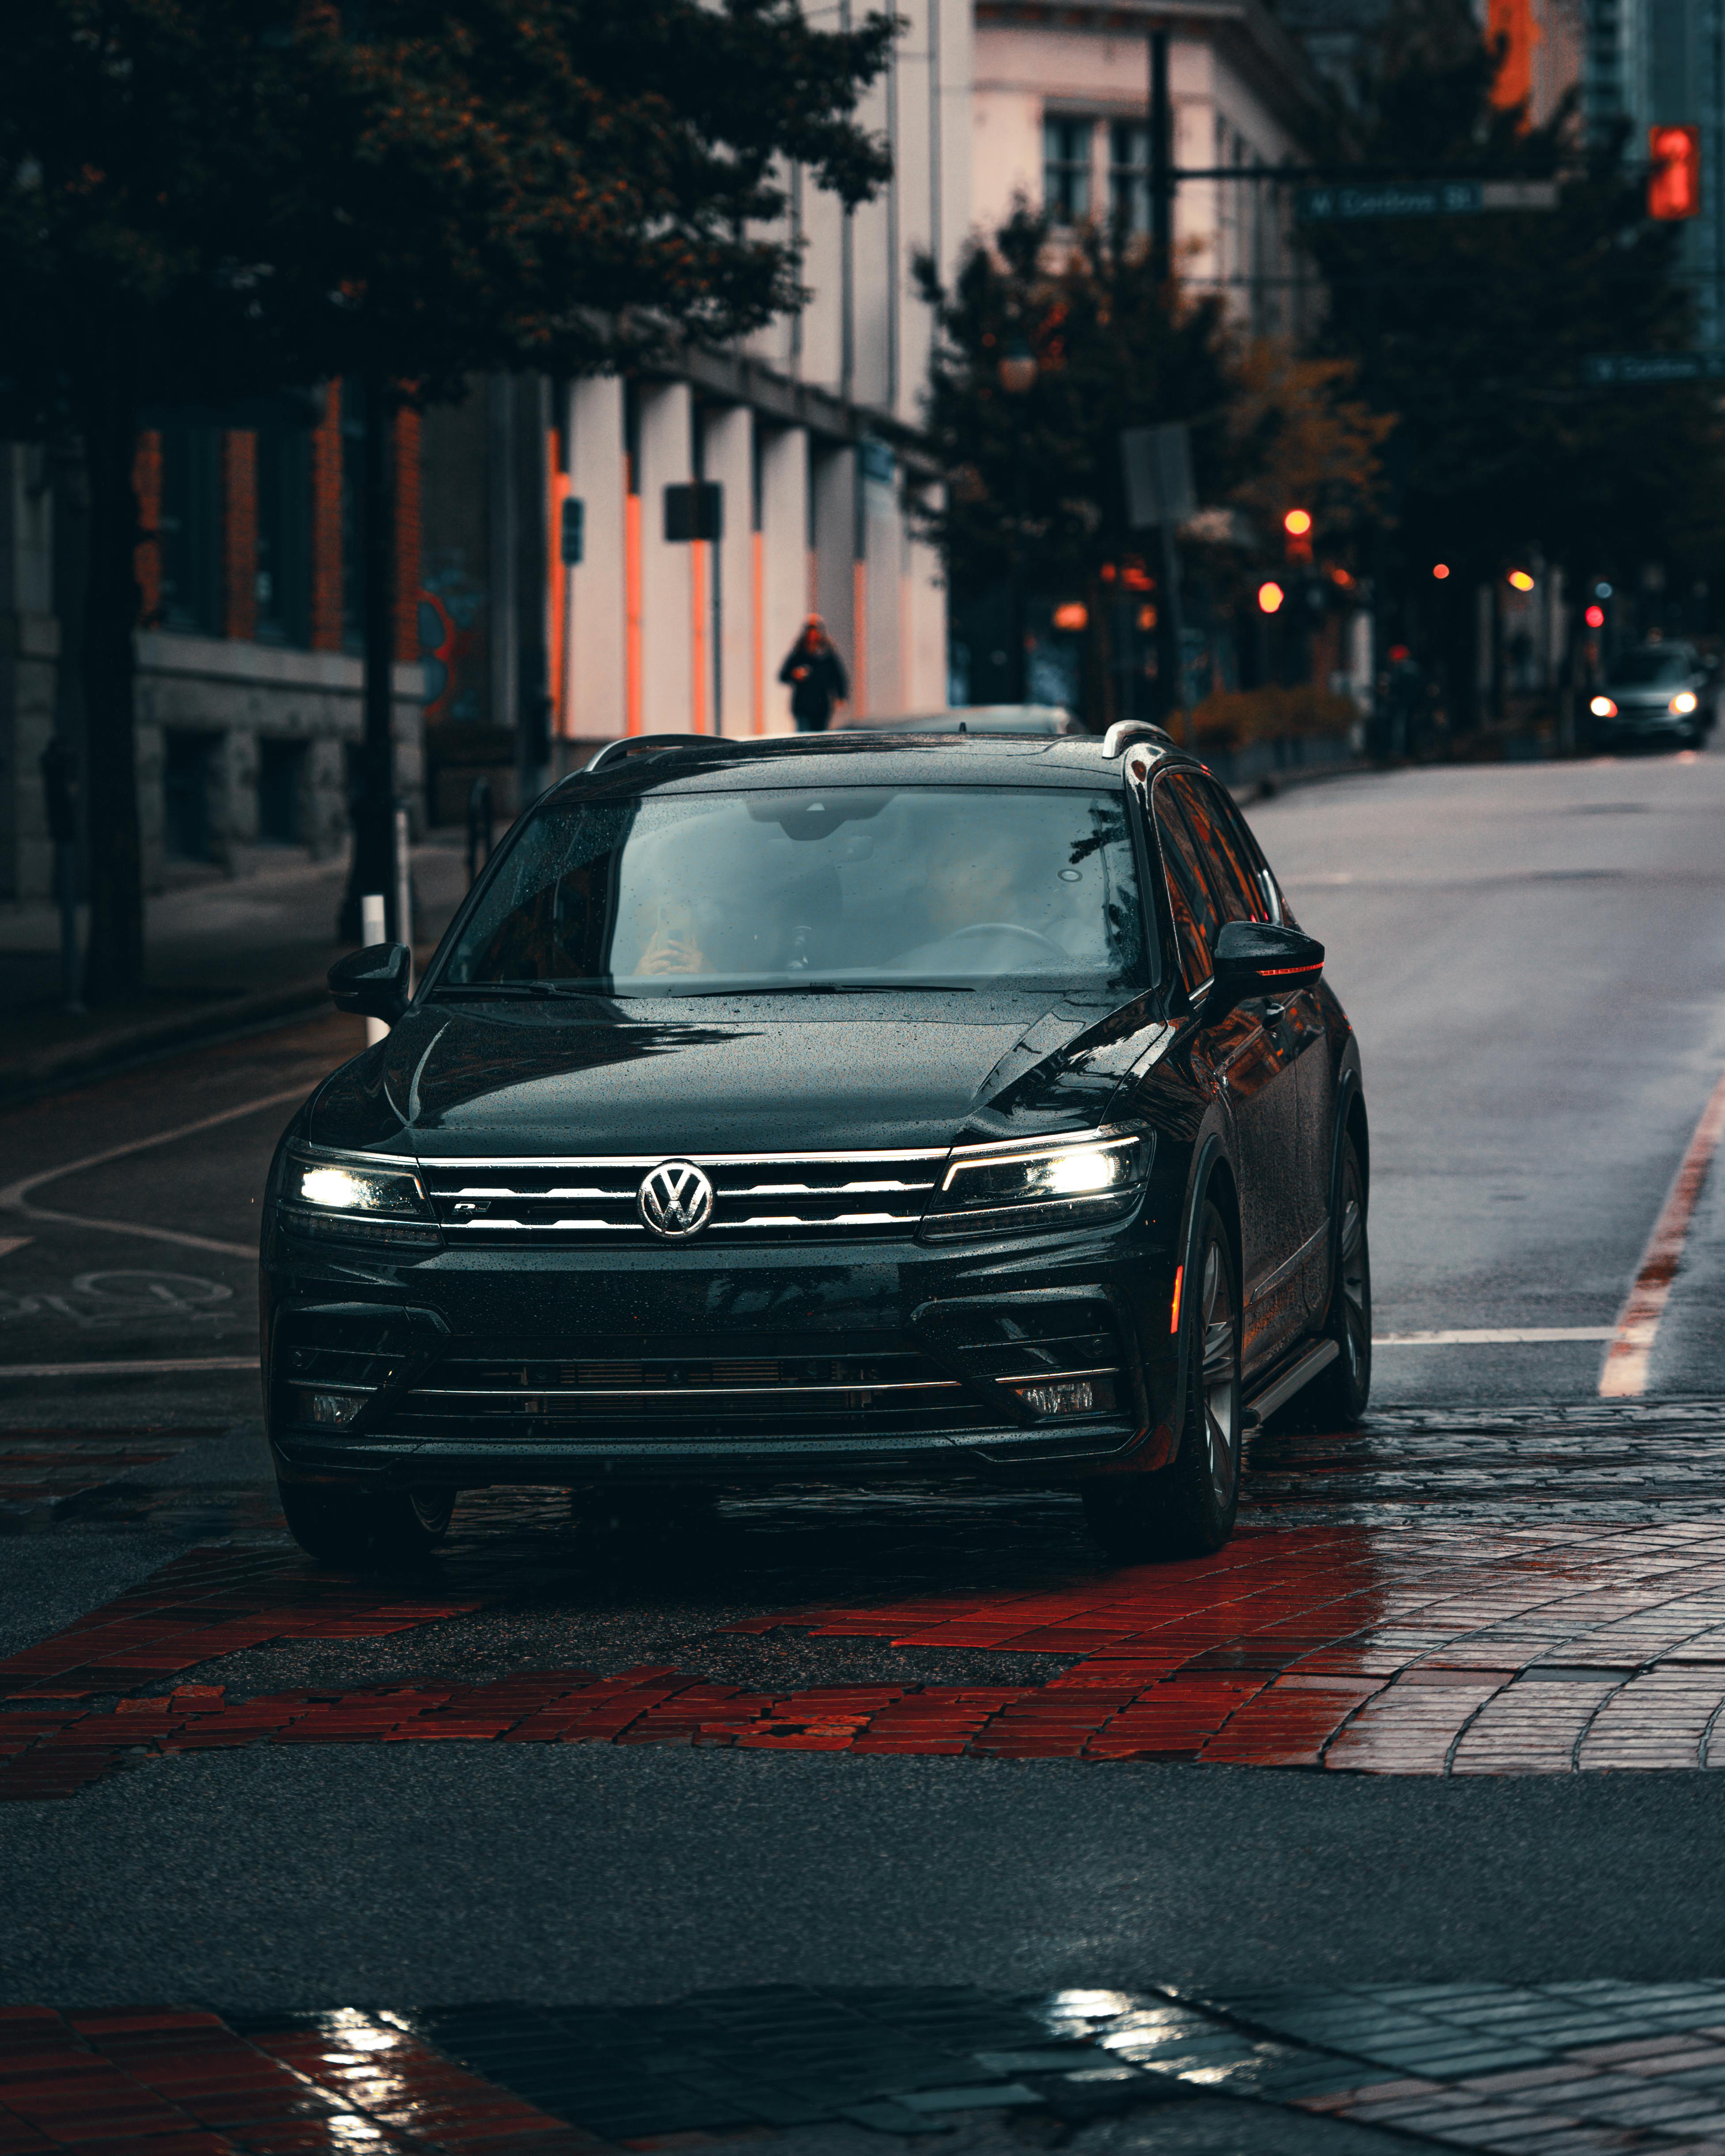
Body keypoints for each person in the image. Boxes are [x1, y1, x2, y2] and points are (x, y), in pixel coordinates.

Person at [778, 616, 851, 732]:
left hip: (822, 704)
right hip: (803, 705)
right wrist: (795, 674)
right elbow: (783, 675)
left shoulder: (827, 655)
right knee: (804, 737)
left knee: (820, 735)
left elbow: (838, 676)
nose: (813, 635)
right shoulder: (799, 654)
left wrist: (841, 695)